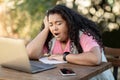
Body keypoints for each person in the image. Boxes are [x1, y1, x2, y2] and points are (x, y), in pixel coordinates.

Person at [26, 5, 114, 80]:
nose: (54, 28)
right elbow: (30, 53)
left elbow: (95, 58)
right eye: (51, 24)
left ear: (69, 23)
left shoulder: (82, 35)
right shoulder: (52, 40)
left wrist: (64, 57)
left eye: (58, 23)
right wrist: (46, 29)